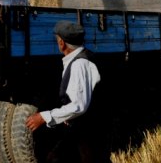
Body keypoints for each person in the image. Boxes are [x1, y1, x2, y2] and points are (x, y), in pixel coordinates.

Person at [25, 20, 107, 163]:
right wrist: (66, 116)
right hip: (84, 126)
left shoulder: (79, 64)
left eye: (58, 40)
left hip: (88, 129)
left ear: (62, 43)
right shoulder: (80, 58)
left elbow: (78, 106)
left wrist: (44, 117)